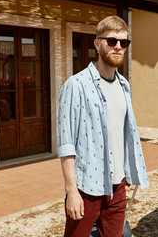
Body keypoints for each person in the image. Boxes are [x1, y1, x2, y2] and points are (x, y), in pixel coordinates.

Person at [58, 15, 149, 237]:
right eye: (112, 41)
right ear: (97, 44)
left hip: (117, 186)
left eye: (123, 42)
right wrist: (72, 192)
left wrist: (128, 171)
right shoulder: (76, 85)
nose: (118, 47)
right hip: (86, 187)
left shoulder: (124, 85)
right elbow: (66, 144)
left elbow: (125, 133)